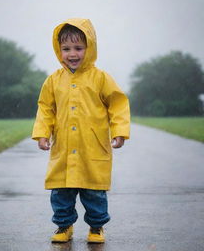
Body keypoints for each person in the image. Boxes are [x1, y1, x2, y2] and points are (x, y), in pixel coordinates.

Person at [32, 18, 130, 243]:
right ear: (59, 50)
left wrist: (119, 131)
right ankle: (63, 226)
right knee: (61, 191)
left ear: (90, 48)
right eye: (66, 49)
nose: (72, 54)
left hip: (92, 147)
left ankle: (97, 227)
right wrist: (42, 133)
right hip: (64, 148)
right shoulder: (53, 80)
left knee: (94, 191)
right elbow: (46, 108)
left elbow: (117, 104)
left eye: (78, 48)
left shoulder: (101, 78)